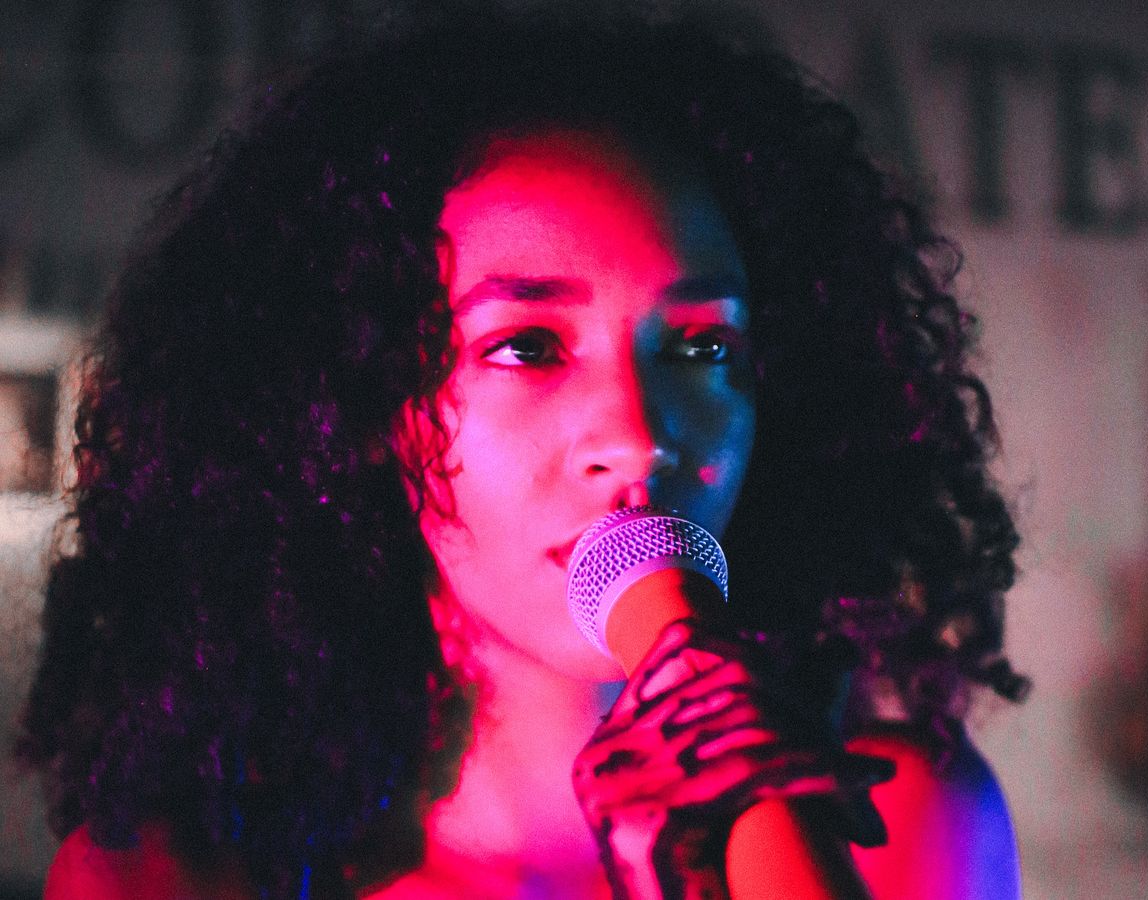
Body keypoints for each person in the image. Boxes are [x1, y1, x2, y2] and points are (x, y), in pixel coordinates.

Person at [18, 3, 1028, 897]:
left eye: (701, 348)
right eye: (529, 347)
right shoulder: (175, 882)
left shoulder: (899, 829)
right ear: (366, 403)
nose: (638, 438)